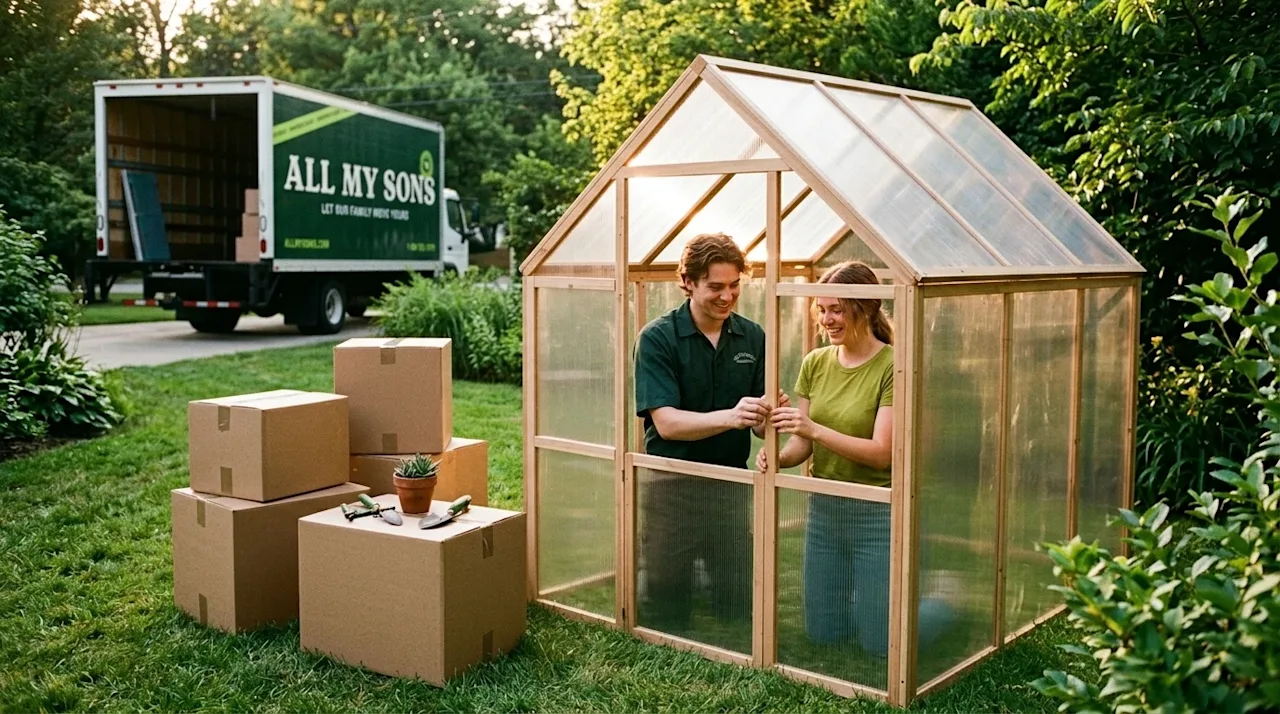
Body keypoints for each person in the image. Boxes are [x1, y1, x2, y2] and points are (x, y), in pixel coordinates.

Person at [756, 260, 951, 656]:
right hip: (825, 511)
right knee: (824, 633)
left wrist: (812, 429)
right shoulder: (816, 363)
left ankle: (945, 601)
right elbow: (803, 446)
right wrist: (775, 458)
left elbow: (881, 454)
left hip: (877, 513)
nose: (827, 319)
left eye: (837, 309)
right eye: (822, 309)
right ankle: (872, 604)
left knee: (882, 645)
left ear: (866, 309)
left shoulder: (892, 366)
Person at [633, 232, 783, 633]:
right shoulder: (657, 338)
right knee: (667, 609)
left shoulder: (753, 337)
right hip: (673, 483)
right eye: (715, 286)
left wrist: (770, 415)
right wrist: (733, 416)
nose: (727, 296)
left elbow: (759, 425)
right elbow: (666, 423)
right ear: (687, 282)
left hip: (731, 482)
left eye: (735, 285)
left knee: (737, 605)